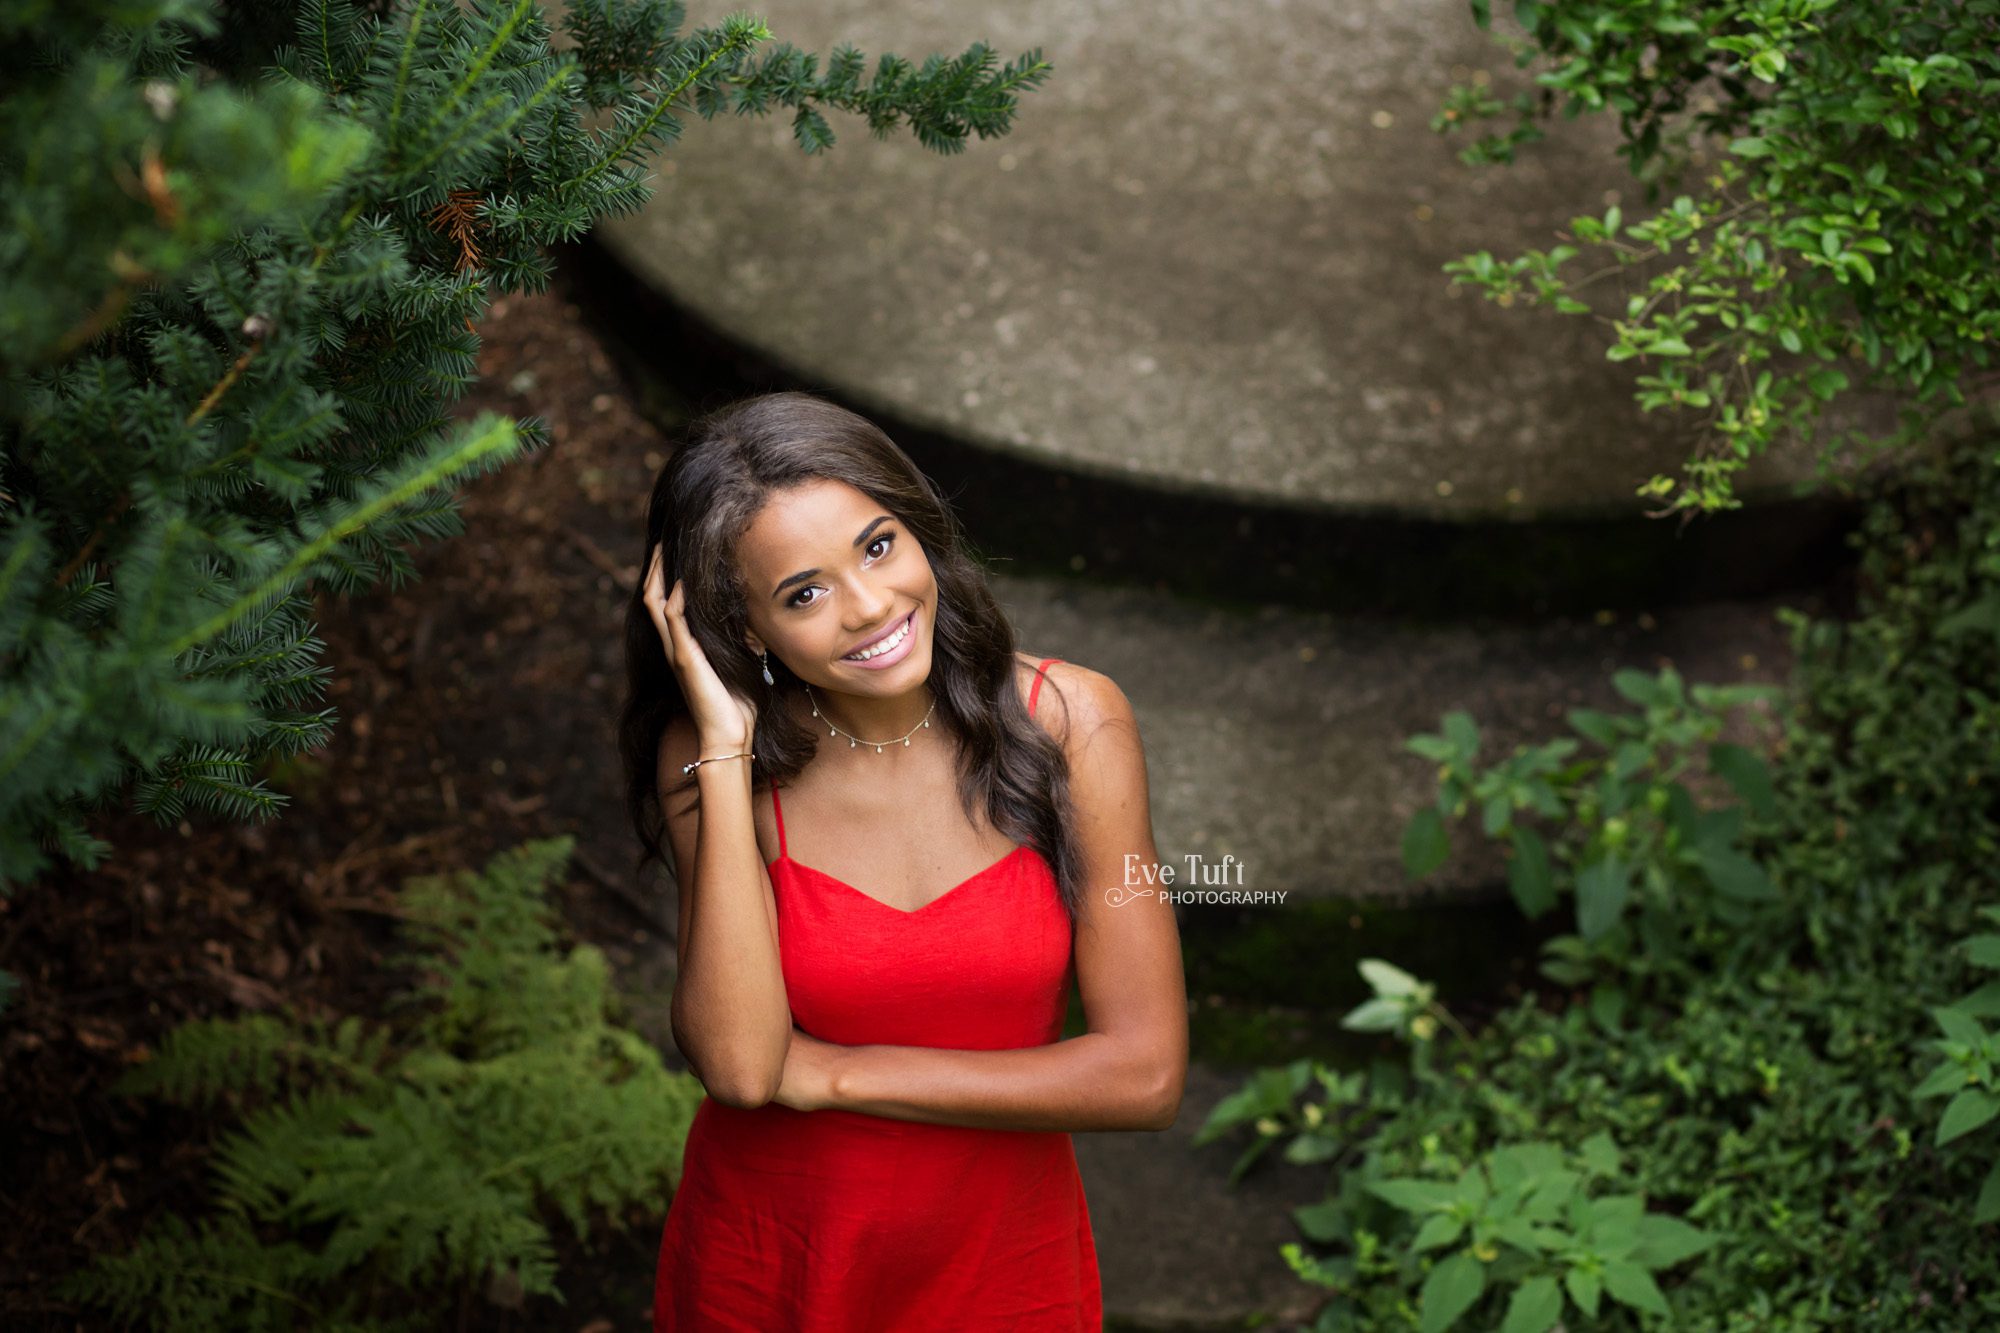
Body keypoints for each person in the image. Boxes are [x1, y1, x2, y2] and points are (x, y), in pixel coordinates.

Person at [618, 390, 1188, 1331]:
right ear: (747, 628)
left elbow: (1144, 1073)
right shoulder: (717, 754)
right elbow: (741, 1065)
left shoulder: (1070, 722)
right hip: (779, 1258)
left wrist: (840, 1074)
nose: (871, 605)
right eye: (804, 593)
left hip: (1002, 1262)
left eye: (878, 545)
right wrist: (722, 747)